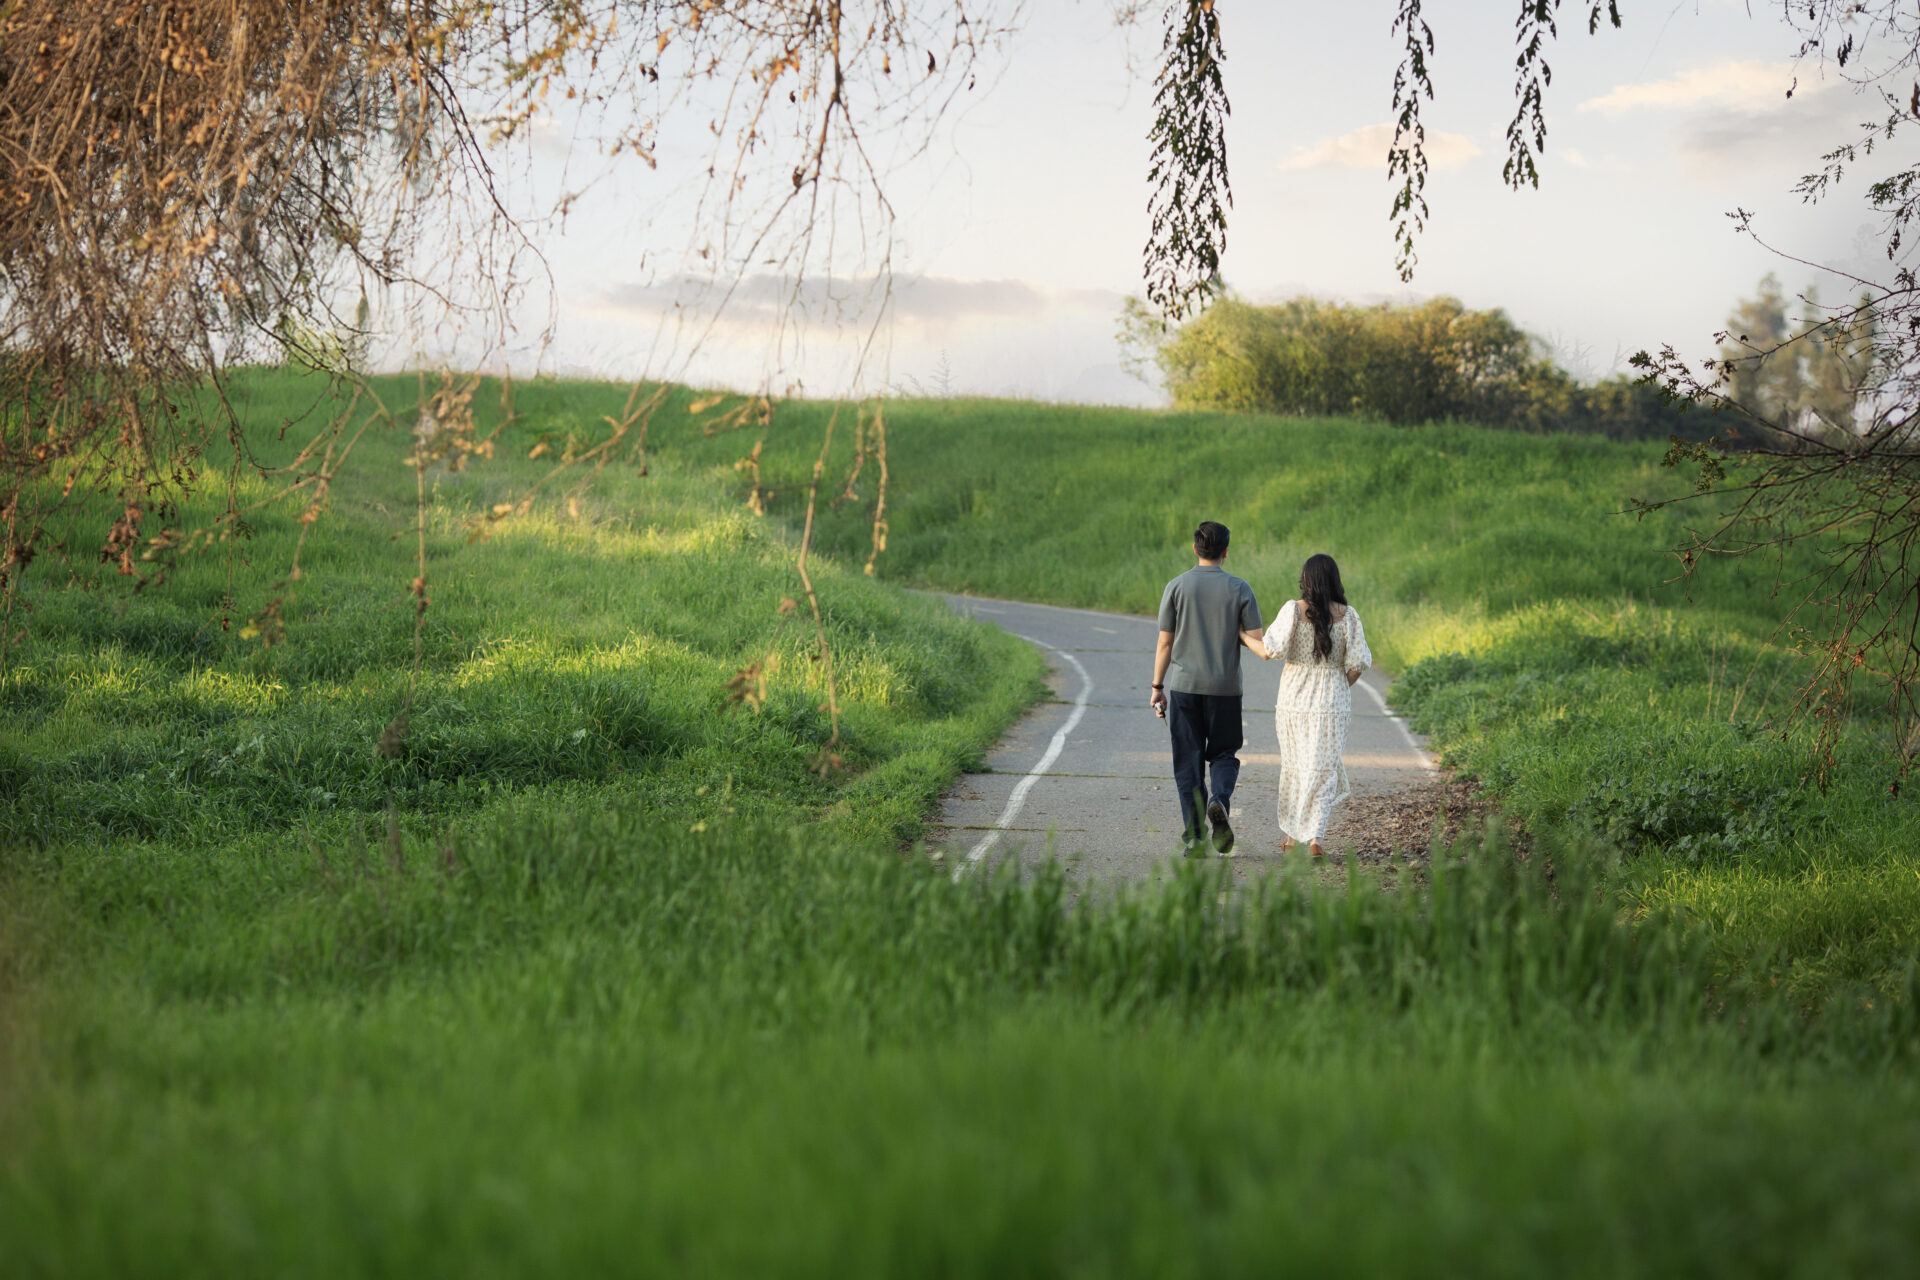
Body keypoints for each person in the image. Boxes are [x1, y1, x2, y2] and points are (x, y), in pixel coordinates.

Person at [1149, 521, 1268, 855]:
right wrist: (1234, 633)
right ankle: (1219, 800)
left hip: (1185, 688)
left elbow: (1164, 644)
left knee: (1188, 762)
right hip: (1225, 689)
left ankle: (1197, 837)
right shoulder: (1240, 589)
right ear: (1226, 552)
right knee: (1224, 754)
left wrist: (1158, 686)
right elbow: (1257, 641)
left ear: (1195, 549)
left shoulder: (1176, 586)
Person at [1261, 553, 1372, 858]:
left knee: (1297, 766)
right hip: (1332, 702)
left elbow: (1274, 648)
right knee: (1323, 770)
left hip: (1293, 700)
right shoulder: (1349, 616)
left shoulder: (1292, 611)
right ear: (1335, 580)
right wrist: (1337, 688)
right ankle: (1315, 840)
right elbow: (1357, 663)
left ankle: (1293, 837)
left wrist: (1245, 636)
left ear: (1306, 580)